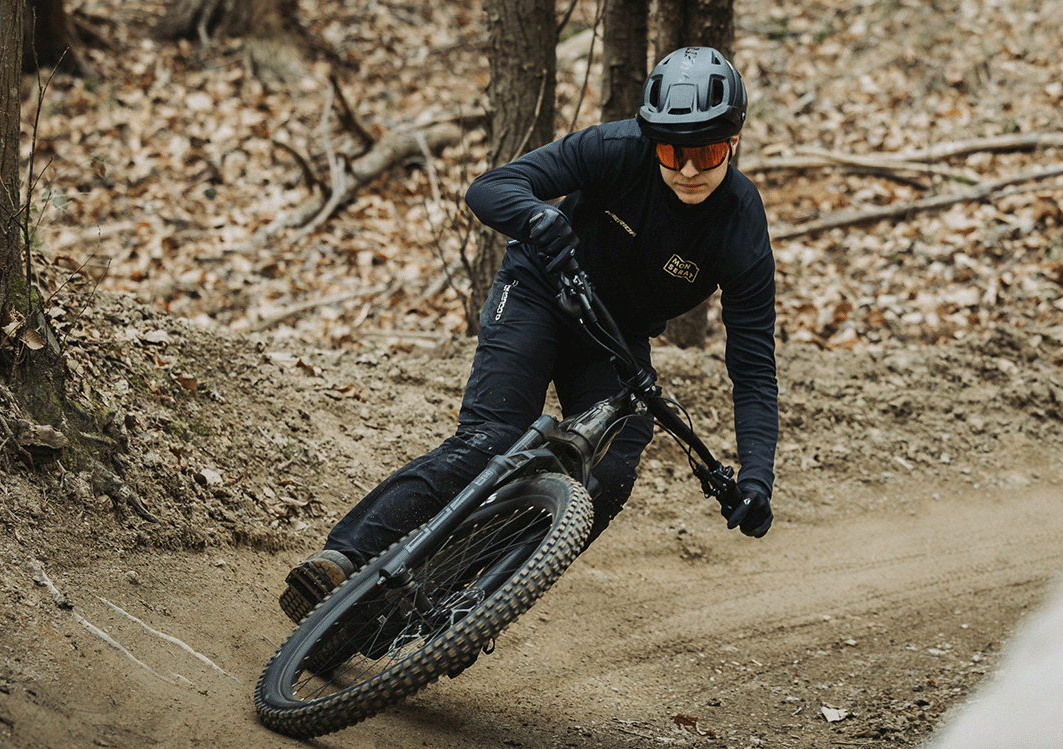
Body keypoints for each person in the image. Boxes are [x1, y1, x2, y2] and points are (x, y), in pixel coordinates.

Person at [280, 46, 779, 623]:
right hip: (543, 291)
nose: (688, 169)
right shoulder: (615, 149)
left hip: (614, 340)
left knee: (611, 472)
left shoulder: (742, 227)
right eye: (671, 150)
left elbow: (753, 367)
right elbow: (491, 188)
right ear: (651, 139)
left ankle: (474, 600)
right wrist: (539, 218)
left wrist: (757, 476)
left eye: (707, 151)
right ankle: (343, 558)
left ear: (734, 142)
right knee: (493, 436)